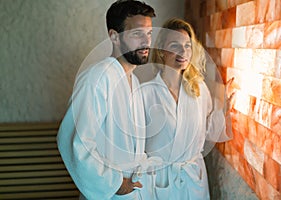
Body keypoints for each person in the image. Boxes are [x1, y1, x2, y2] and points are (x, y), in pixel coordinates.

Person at [56, 1, 155, 199]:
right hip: (111, 192)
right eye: (137, 34)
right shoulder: (97, 78)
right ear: (114, 36)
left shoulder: (133, 81)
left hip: (133, 191)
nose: (146, 41)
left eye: (149, 33)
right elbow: (72, 140)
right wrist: (115, 183)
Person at [141, 18, 234, 199]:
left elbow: (210, 133)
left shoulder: (198, 90)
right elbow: (135, 146)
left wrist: (223, 109)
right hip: (160, 182)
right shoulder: (146, 94)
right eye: (175, 45)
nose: (183, 51)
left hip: (194, 180)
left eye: (187, 45)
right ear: (161, 50)